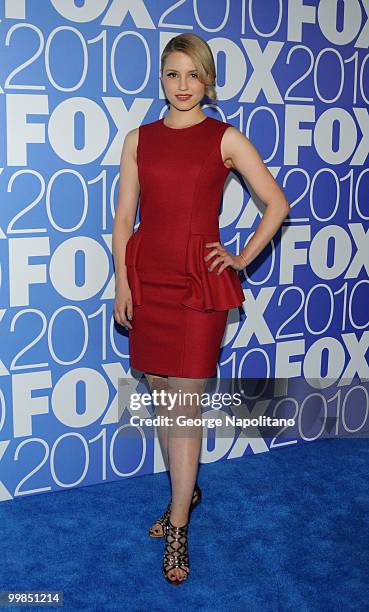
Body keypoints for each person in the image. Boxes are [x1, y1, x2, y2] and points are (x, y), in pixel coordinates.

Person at [112, 33, 290, 585]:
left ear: (207, 80)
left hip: (198, 285)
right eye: (172, 74)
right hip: (149, 278)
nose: (183, 86)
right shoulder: (138, 139)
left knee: (185, 401)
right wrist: (124, 283)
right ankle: (184, 489)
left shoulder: (225, 138)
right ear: (160, 79)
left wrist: (239, 257)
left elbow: (276, 203)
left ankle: (180, 523)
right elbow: (124, 219)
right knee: (164, 398)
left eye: (193, 75)